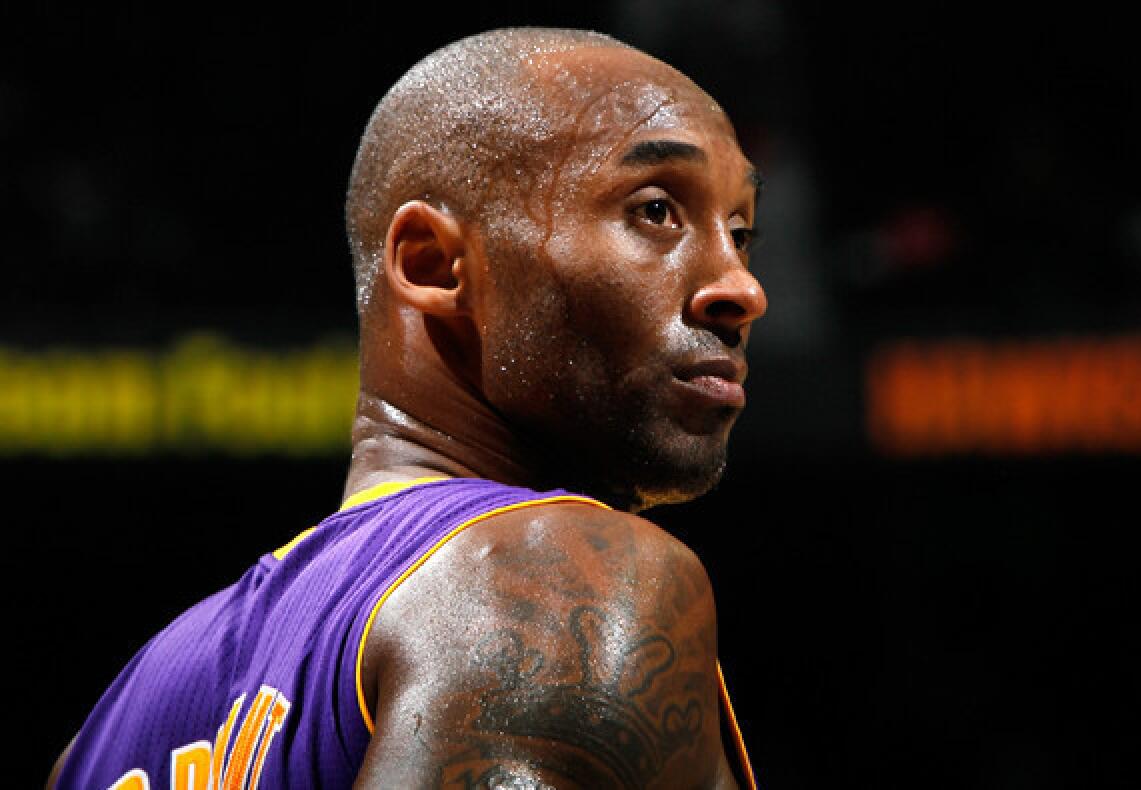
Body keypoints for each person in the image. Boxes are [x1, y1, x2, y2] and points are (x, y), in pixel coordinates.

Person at [50, 26, 767, 789]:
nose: (742, 289)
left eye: (741, 231)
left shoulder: (110, 727)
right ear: (433, 263)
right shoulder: (559, 586)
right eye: (655, 211)